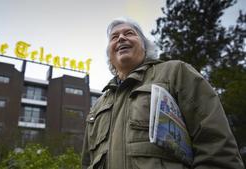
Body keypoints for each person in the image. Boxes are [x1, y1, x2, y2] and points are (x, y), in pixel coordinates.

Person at [81, 17, 245, 169]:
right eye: (114, 37)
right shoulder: (98, 106)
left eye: (129, 33)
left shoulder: (175, 73)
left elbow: (216, 145)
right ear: (109, 54)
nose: (121, 38)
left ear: (145, 47)